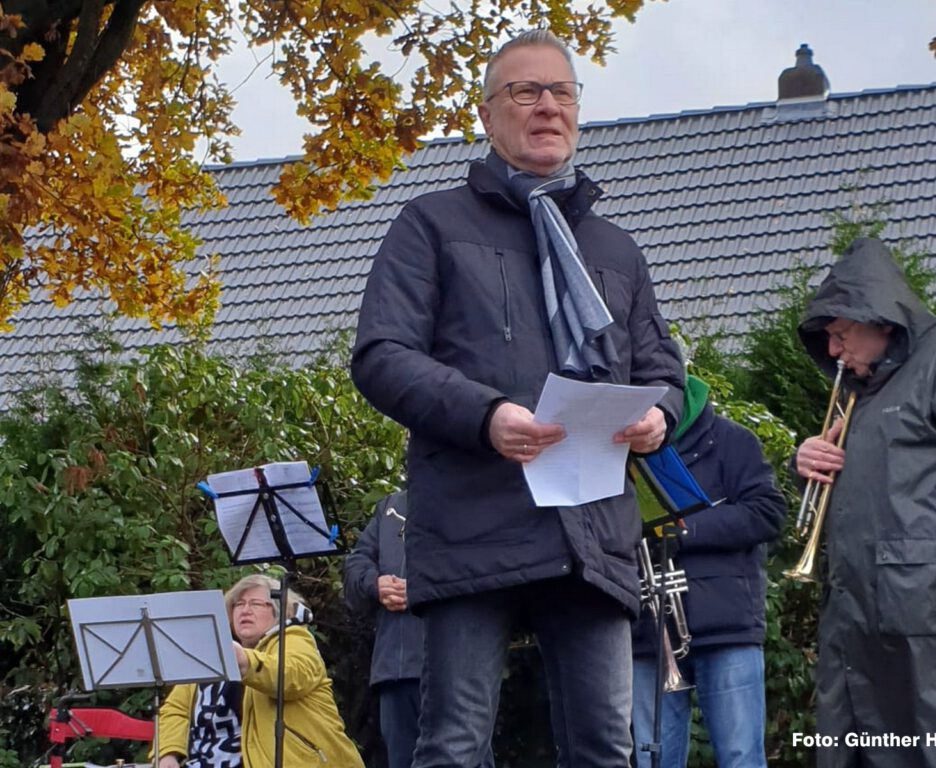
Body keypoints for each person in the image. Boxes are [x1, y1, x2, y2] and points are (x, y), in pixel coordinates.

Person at [350, 28, 685, 768]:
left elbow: (666, 368)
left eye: (561, 92)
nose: (546, 107)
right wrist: (485, 414)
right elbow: (381, 355)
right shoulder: (430, 224)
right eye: (524, 91)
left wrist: (660, 414)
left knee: (606, 749)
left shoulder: (617, 248)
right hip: (473, 521)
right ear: (489, 114)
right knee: (455, 747)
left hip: (593, 531)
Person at [794, 237, 936, 767]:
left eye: (840, 332)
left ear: (880, 320)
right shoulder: (861, 393)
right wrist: (804, 460)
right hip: (862, 619)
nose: (833, 350)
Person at [631, 374, 786, 768]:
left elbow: (768, 512)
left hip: (727, 624)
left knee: (741, 758)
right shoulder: (620, 454)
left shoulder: (733, 441)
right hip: (648, 630)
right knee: (655, 760)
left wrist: (683, 532)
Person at [344, 490, 496, 768]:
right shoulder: (390, 506)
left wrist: (422, 588)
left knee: (467, 760)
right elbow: (356, 565)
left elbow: (488, 571)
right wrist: (374, 584)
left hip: (456, 666)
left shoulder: (473, 499)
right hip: (395, 668)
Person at [156, 574, 365, 768]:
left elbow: (291, 676)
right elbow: (176, 709)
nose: (245, 610)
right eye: (239, 604)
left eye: (255, 603)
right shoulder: (210, 653)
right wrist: (168, 754)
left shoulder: (294, 640)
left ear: (280, 611)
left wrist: (246, 661)